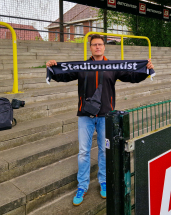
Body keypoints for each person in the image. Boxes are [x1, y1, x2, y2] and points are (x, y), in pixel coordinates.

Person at [46, 34, 154, 206]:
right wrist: (53, 68)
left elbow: (131, 76)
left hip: (105, 117)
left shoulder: (112, 66)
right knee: (83, 152)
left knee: (104, 151)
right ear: (90, 48)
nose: (97, 47)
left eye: (100, 44)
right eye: (94, 44)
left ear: (104, 47)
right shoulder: (82, 66)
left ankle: (103, 181)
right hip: (85, 117)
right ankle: (82, 186)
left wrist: (146, 70)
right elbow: (64, 75)